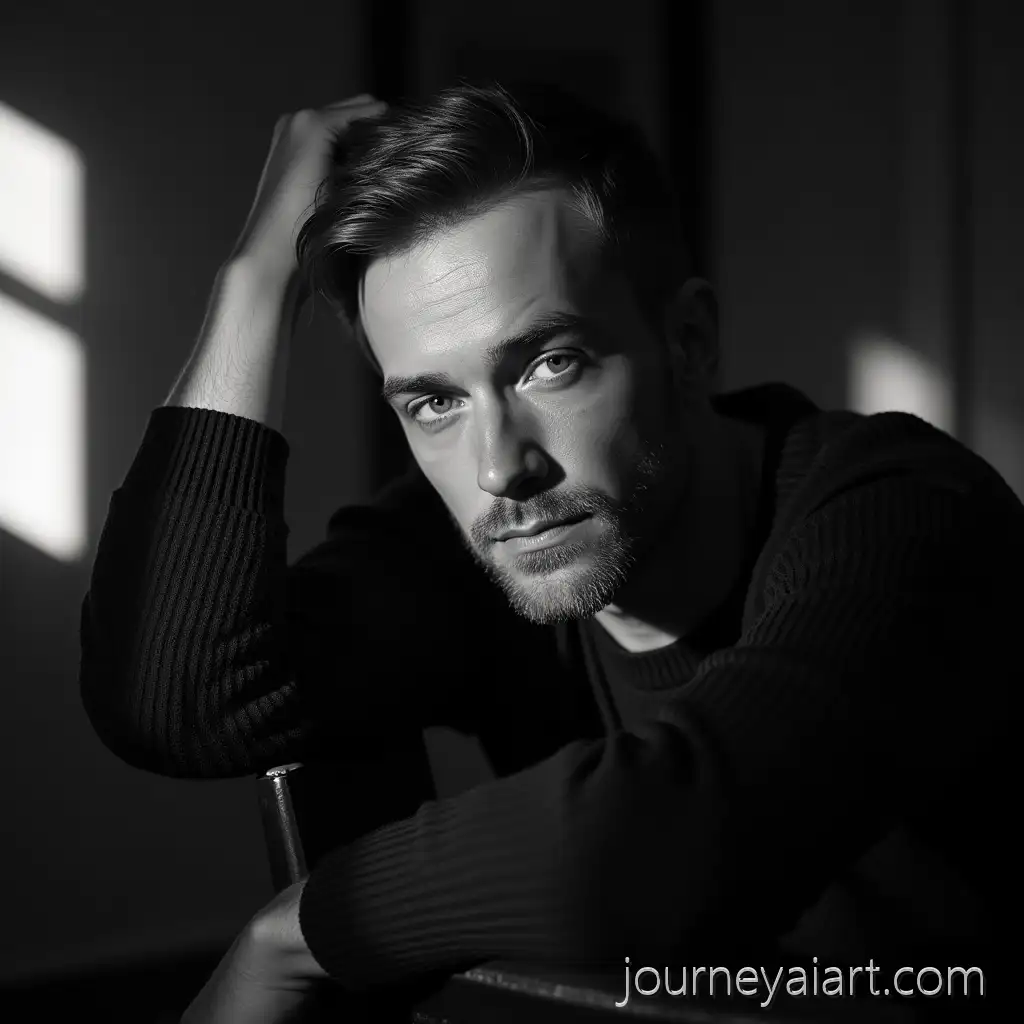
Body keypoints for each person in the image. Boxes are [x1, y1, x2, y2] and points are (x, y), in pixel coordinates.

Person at [80, 82, 1018, 1022]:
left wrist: (296, 933)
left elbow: (680, 834)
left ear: (690, 343)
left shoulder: (906, 511)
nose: (500, 468)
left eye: (548, 364)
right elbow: (176, 697)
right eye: (434, 402)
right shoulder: (485, 542)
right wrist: (255, 282)